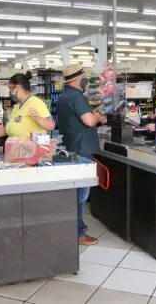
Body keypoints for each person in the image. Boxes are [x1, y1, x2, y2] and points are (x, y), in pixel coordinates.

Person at [57, 64, 102, 246]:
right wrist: (97, 117)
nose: (86, 81)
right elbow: (89, 121)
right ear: (77, 80)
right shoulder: (77, 96)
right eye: (84, 78)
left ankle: (76, 225)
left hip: (71, 146)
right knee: (81, 194)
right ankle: (78, 233)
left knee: (74, 191)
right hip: (82, 148)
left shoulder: (63, 96)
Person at [0, 73, 54, 139]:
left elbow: (51, 125)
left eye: (11, 88)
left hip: (31, 152)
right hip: (18, 151)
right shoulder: (17, 107)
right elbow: (6, 130)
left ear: (18, 87)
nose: (10, 92)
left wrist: (38, 118)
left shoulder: (36, 102)